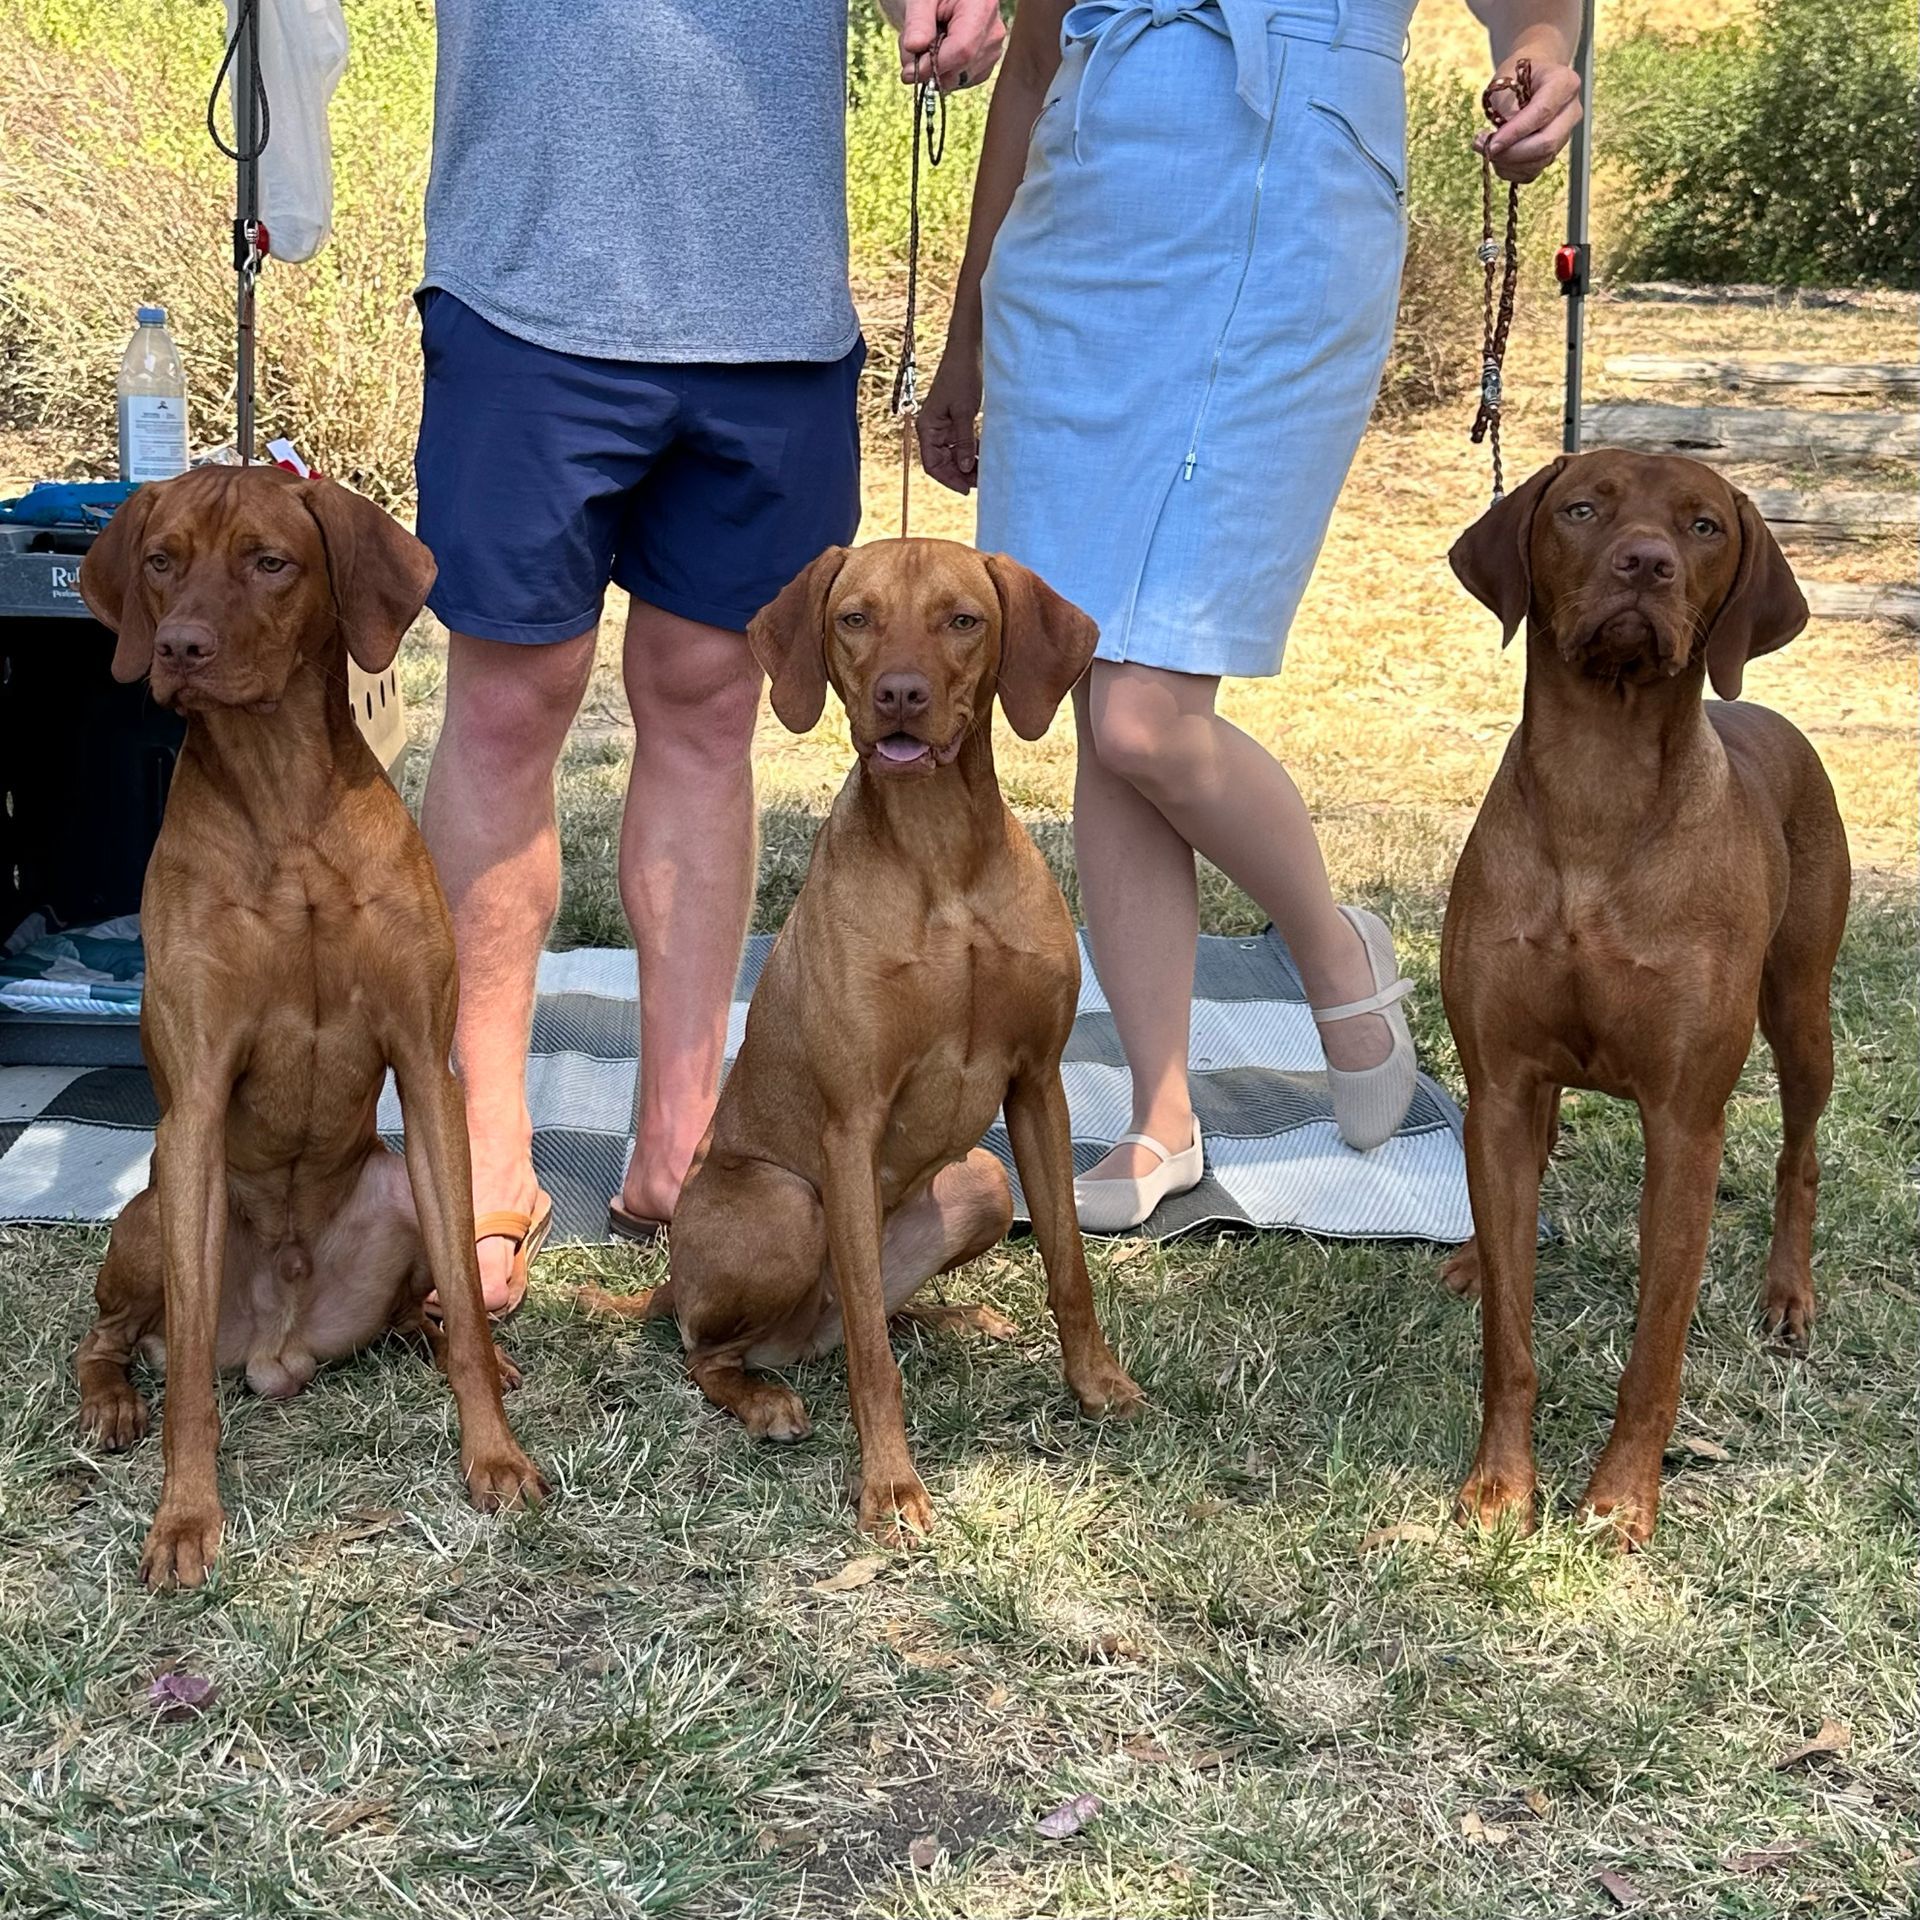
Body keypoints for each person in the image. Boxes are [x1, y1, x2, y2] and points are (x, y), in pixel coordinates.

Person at [919, 0, 1581, 1230]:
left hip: (1290, 209)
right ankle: (1160, 1115)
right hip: (1073, 244)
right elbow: (1032, 61)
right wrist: (965, 337)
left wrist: (1540, 45)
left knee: (1146, 720)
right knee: (1096, 688)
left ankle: (1332, 949)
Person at [413, 0, 1005, 1310]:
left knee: (706, 705)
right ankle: (488, 1145)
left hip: (770, 312)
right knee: (512, 704)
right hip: (529, 280)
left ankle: (682, 1144)